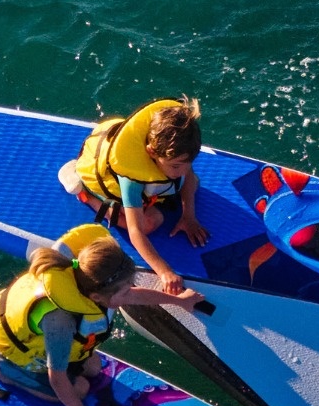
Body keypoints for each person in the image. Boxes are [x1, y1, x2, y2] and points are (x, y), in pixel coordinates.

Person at [0, 224, 192, 406]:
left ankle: (1, 356)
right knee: (80, 389)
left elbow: (133, 295)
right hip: (13, 354)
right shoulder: (61, 323)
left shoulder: (87, 280)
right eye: (125, 291)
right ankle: (0, 369)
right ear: (97, 298)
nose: (130, 294)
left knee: (94, 368)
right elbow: (57, 378)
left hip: (26, 334)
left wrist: (178, 300)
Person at [61, 97, 210, 298]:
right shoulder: (130, 176)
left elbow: (189, 177)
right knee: (151, 222)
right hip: (99, 178)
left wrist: (189, 216)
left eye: (188, 163)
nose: (183, 170)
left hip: (133, 153)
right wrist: (164, 271)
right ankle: (86, 196)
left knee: (194, 184)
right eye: (176, 166)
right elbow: (136, 231)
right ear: (151, 152)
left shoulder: (179, 152)